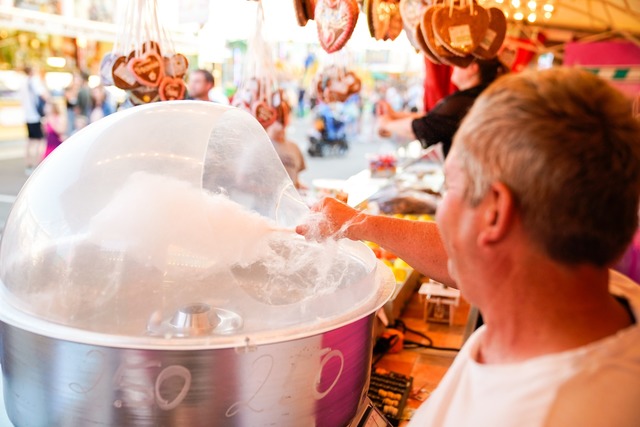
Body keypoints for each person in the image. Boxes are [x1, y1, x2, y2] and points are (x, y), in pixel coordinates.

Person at [296, 67, 640, 426]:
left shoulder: (535, 413)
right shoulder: (593, 291)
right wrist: (360, 224)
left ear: (495, 213)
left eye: (452, 188)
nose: (442, 210)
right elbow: (459, 252)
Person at [377, 58, 507, 157]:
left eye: (459, 62)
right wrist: (394, 115)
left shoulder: (464, 102)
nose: (453, 66)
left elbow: (424, 127)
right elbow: (434, 118)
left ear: (473, 68)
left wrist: (387, 124)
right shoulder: (479, 95)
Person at [266, 95, 306, 190]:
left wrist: (300, 186)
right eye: (278, 118)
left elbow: (294, 178)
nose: (282, 122)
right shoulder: (262, 147)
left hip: (291, 203)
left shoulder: (294, 147)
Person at [18, 66, 48, 173]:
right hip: (36, 115)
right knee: (39, 141)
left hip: (27, 116)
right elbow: (43, 95)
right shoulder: (34, 81)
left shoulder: (22, 83)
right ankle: (36, 165)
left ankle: (28, 165)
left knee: (29, 141)